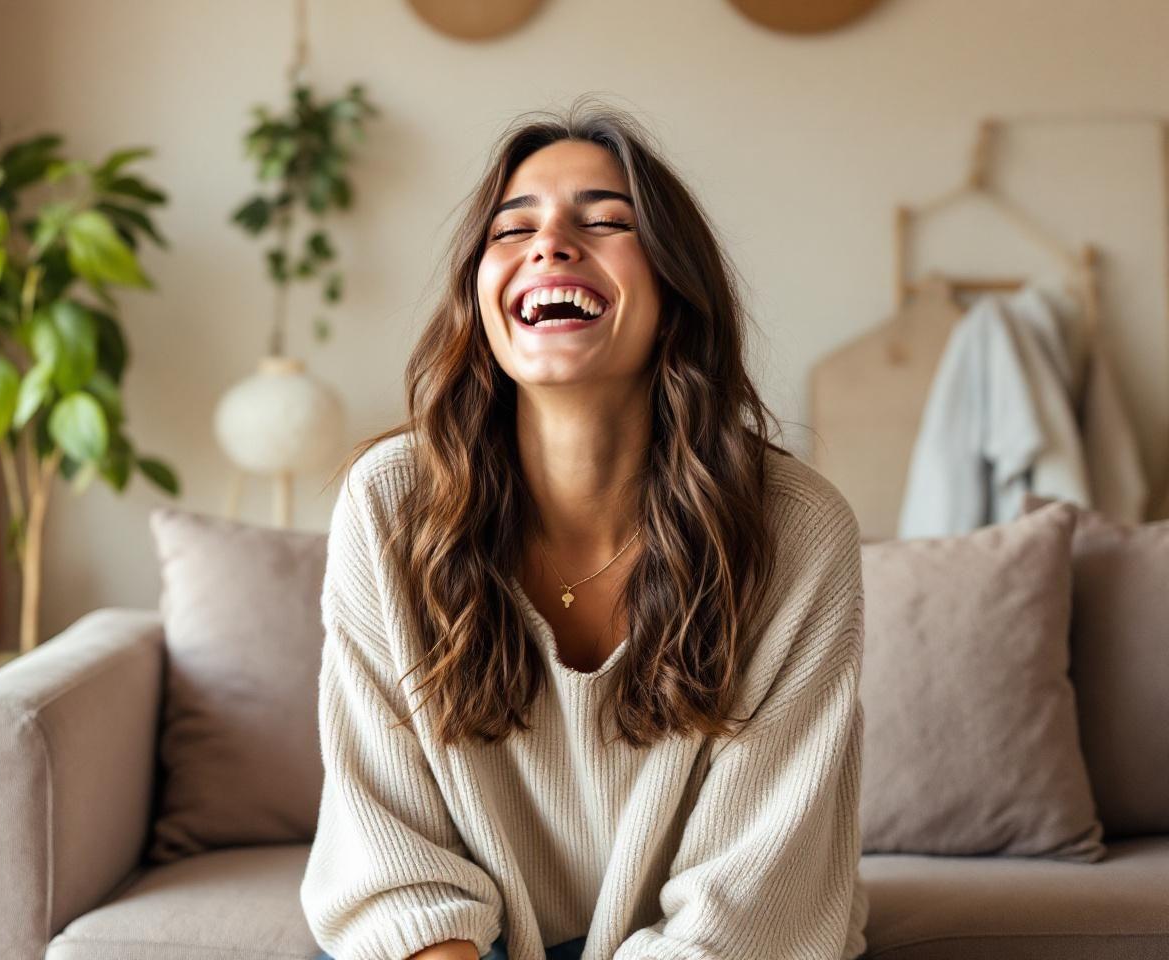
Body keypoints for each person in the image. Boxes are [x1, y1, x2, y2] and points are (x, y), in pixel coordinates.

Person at [300, 97, 869, 960]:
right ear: (482, 303)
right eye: (510, 230)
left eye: (605, 222)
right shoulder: (390, 505)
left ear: (676, 294)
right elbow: (388, 861)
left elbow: (753, 908)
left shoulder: (799, 533)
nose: (550, 244)